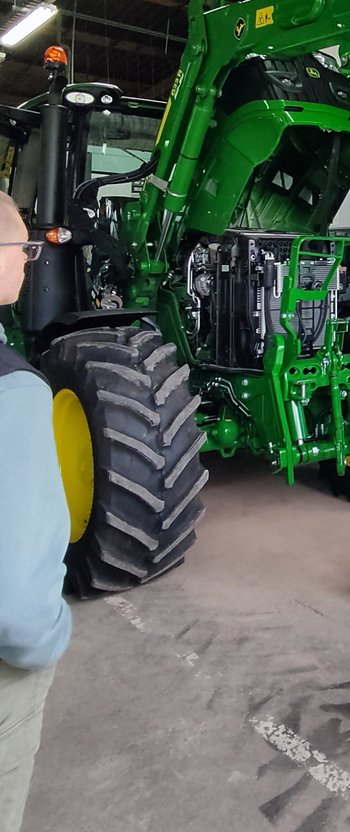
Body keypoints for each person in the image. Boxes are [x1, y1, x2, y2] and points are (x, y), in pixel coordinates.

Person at [0, 193, 72, 832]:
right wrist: (49, 637)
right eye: (22, 247)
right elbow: (16, 606)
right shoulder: (14, 387)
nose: (29, 260)